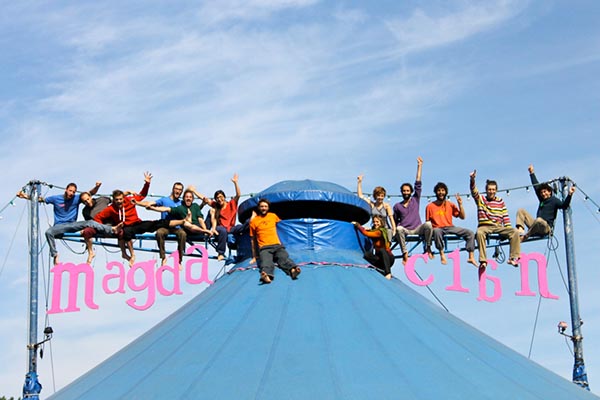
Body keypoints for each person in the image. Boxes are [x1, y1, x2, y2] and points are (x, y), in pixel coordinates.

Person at [16, 181, 119, 265]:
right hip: (60, 226)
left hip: (73, 225)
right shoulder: (56, 198)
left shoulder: (76, 198)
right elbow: (40, 199)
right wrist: (24, 196)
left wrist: (97, 186)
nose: (72, 193)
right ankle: (55, 254)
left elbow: (89, 194)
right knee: (48, 232)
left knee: (90, 222)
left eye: (74, 192)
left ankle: (112, 229)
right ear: (66, 190)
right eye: (70, 191)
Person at [93, 172, 181, 266]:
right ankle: (132, 255)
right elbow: (97, 217)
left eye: (120, 199)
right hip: (125, 227)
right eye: (117, 200)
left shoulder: (130, 200)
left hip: (136, 223)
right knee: (126, 232)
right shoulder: (111, 208)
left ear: (123, 198)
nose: (119, 201)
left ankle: (180, 222)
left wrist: (147, 184)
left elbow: (142, 195)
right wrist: (107, 228)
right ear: (114, 200)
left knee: (155, 223)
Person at [469, 170, 520, 269]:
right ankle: (483, 260)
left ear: (496, 190)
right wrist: (472, 179)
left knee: (514, 231)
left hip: (498, 226)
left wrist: (508, 230)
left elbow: (505, 216)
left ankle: (512, 258)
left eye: (493, 189)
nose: (491, 191)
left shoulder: (500, 201)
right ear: (486, 190)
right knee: (479, 233)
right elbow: (473, 191)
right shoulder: (481, 200)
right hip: (485, 226)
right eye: (489, 189)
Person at [516, 164, 576, 241]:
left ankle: (526, 236)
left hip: (545, 227)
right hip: (536, 227)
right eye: (541, 193)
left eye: (545, 192)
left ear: (549, 192)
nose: (543, 194)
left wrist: (570, 194)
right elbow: (536, 186)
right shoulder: (542, 200)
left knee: (539, 220)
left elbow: (564, 206)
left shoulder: (554, 200)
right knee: (521, 211)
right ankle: (520, 231)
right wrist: (531, 173)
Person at [393, 156, 434, 265]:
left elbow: (418, 183)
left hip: (417, 228)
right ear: (401, 192)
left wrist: (419, 166)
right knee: (399, 228)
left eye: (408, 190)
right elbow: (395, 221)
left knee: (428, 224)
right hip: (405, 230)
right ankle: (404, 253)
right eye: (404, 191)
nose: (406, 192)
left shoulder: (415, 200)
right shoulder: (397, 206)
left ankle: (428, 247)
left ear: (411, 192)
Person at [249, 198, 301, 284]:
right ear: (258, 208)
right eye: (262, 206)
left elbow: (283, 225)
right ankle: (266, 276)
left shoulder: (273, 216)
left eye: (265, 206)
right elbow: (252, 240)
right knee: (266, 261)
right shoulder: (254, 221)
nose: (264, 208)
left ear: (268, 208)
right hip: (264, 247)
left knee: (283, 258)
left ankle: (293, 271)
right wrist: (254, 256)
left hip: (277, 245)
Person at [425, 182, 477, 266]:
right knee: (436, 231)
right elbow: (427, 224)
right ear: (436, 192)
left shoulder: (450, 204)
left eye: (443, 190)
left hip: (450, 227)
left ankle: (471, 256)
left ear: (446, 192)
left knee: (470, 233)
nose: (441, 192)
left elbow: (462, 217)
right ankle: (442, 253)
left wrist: (460, 205)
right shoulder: (430, 206)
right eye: (439, 190)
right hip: (438, 228)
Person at [138, 182, 187, 266]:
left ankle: (179, 259)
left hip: (177, 227)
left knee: (183, 234)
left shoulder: (182, 203)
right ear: (173, 189)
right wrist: (137, 202)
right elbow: (150, 203)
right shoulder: (164, 200)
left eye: (180, 190)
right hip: (166, 226)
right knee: (159, 233)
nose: (178, 191)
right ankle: (163, 257)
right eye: (176, 189)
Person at [204, 174, 246, 261]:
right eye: (217, 198)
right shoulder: (216, 205)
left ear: (224, 197)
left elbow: (238, 195)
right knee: (223, 231)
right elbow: (205, 199)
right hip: (220, 228)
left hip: (230, 228)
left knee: (242, 227)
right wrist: (193, 191)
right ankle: (221, 253)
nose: (219, 199)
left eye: (221, 197)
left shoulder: (231, 204)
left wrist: (235, 183)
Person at [146, 188, 211, 237]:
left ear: (192, 199)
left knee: (212, 211)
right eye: (187, 197)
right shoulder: (180, 208)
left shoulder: (195, 206)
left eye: (190, 197)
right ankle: (204, 231)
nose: (188, 198)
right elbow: (166, 209)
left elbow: (200, 219)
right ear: (184, 199)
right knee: (186, 223)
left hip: (200, 227)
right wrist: (153, 208)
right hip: (191, 229)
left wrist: (205, 229)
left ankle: (211, 231)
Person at [357, 175, 396, 241]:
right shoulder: (372, 205)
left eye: (382, 196)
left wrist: (394, 229)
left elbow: (391, 218)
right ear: (375, 196)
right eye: (378, 196)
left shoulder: (386, 206)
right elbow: (361, 196)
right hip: (375, 228)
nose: (380, 197)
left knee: (384, 237)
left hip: (385, 229)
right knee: (366, 233)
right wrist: (359, 182)